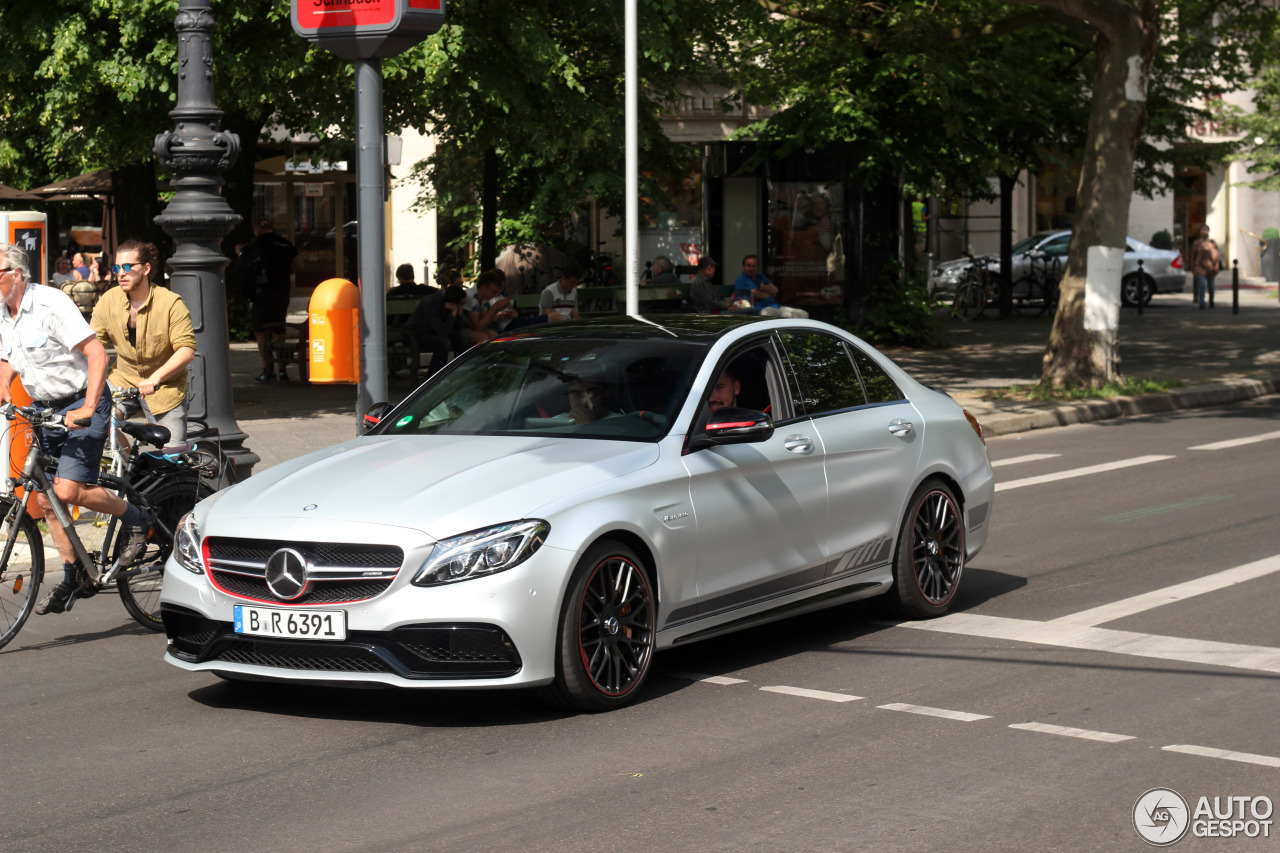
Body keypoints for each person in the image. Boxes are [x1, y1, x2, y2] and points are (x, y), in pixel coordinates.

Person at [0, 243, 154, 616]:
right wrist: (4, 392)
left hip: (82, 401)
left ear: (15, 275)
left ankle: (135, 518)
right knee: (44, 501)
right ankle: (73, 575)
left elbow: (97, 353)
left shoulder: (51, 304)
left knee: (68, 489)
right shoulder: (4, 314)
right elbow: (7, 359)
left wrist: (87, 407)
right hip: (44, 409)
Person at [90, 240, 196, 445]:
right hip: (123, 379)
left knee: (171, 456)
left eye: (128, 267)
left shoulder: (170, 303)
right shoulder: (109, 300)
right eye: (117, 267)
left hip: (165, 386)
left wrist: (155, 378)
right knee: (95, 423)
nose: (121, 273)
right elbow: (93, 344)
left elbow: (186, 350)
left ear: (146, 268)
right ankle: (127, 469)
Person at [243, 219, 302, 382]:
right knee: (279, 330)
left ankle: (267, 370)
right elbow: (300, 265)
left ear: (257, 230)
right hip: (281, 292)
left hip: (261, 294)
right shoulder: (285, 244)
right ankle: (283, 370)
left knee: (260, 331)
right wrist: (284, 273)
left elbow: (247, 266)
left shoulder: (256, 245)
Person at [405, 284, 470, 376]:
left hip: (436, 332)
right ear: (453, 304)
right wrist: (453, 315)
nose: (462, 306)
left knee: (461, 338)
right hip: (417, 334)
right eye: (461, 304)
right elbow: (441, 332)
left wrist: (459, 314)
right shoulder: (431, 303)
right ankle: (434, 376)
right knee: (444, 343)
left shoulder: (454, 305)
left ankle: (461, 373)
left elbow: (457, 329)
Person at [1190, 224, 1222, 308]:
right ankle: (1202, 302)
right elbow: (1193, 255)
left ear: (1208, 232)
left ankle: (1211, 300)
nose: (1204, 231)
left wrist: (1216, 266)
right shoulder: (1197, 243)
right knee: (1202, 285)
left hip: (1211, 267)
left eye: (1206, 230)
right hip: (1200, 267)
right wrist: (1193, 267)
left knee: (1211, 286)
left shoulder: (1212, 243)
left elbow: (1217, 255)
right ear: (1200, 232)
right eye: (1202, 230)